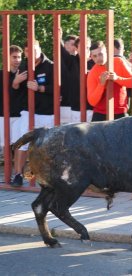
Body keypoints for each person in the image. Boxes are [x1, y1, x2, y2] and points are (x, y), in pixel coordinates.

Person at [11, 40, 55, 187]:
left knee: (46, 146)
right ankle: (18, 175)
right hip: (28, 111)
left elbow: (58, 89)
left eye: (34, 50)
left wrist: (40, 88)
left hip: (47, 112)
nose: (31, 54)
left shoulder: (51, 66)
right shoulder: (24, 66)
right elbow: (15, 91)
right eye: (28, 51)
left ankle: (46, 177)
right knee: (22, 144)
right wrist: (15, 82)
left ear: (39, 48)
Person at [87, 41, 132, 122]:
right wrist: (101, 84)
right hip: (100, 114)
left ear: (107, 52)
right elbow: (92, 101)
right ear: (91, 57)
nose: (98, 58)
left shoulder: (118, 61)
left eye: (100, 54)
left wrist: (117, 78)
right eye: (95, 56)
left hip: (120, 112)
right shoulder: (92, 73)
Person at [0, 46, 26, 157]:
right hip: (3, 115)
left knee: (19, 145)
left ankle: (17, 173)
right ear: (7, 58)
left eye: (19, 57)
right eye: (14, 57)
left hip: (20, 115)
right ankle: (7, 172)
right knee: (5, 146)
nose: (17, 60)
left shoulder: (25, 74)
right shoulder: (1, 74)